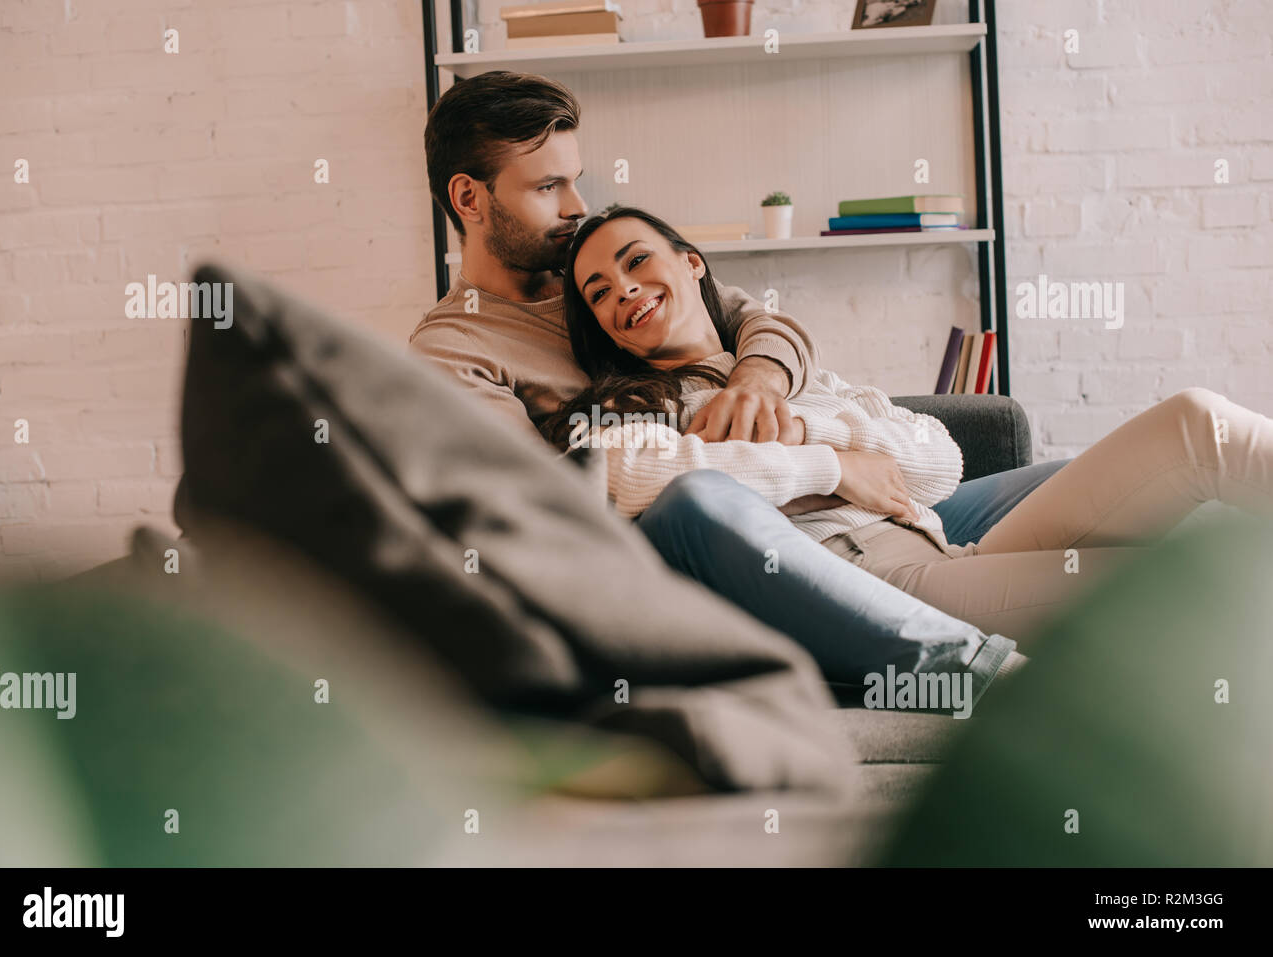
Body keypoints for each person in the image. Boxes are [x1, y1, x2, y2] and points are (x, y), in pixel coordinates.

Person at [413, 70, 1059, 696]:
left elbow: (762, 323)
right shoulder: (453, 349)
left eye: (575, 181)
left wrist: (755, 384)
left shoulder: (603, 260)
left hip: (831, 501)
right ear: (470, 199)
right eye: (549, 186)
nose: (577, 206)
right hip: (728, 537)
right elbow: (546, 504)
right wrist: (823, 466)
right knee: (694, 502)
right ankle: (980, 673)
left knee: (1085, 485)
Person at [544, 204, 1273, 651]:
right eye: (601, 293)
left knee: (1196, 422)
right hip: (877, 581)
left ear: (692, 262)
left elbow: (937, 459)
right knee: (1181, 590)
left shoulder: (795, 375)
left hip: (943, 536)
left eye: (636, 262)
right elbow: (628, 478)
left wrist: (816, 431)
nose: (625, 292)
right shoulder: (639, 406)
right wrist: (829, 467)